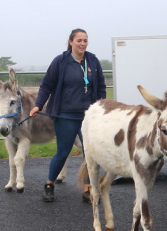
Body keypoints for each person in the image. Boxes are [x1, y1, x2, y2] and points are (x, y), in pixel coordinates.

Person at [30, 28, 106, 202]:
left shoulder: (93, 61)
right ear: (71, 42)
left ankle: (88, 188)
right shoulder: (61, 61)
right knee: (63, 152)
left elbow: (101, 86)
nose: (82, 44)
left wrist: (101, 107)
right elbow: (46, 85)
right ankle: (49, 184)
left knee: (91, 153)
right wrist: (37, 105)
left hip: (89, 116)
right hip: (65, 116)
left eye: (85, 40)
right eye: (79, 40)